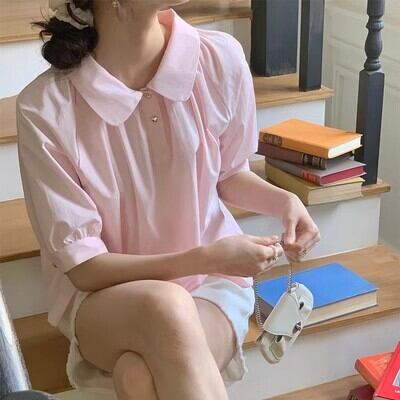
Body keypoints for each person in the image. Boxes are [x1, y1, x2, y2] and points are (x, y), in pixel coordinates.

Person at [16, 0, 321, 399]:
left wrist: (285, 201)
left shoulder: (218, 59)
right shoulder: (46, 109)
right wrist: (208, 257)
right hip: (103, 298)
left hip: (210, 287)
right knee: (166, 304)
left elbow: (230, 173)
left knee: (137, 376)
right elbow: (85, 270)